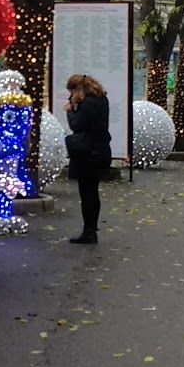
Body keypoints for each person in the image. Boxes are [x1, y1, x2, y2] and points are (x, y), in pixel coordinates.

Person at [64, 74, 112, 244]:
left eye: (72, 92)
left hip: (88, 154)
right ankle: (91, 229)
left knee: (87, 194)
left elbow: (77, 125)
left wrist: (70, 111)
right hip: (100, 151)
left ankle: (89, 231)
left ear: (78, 89)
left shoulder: (88, 103)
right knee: (92, 192)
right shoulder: (101, 99)